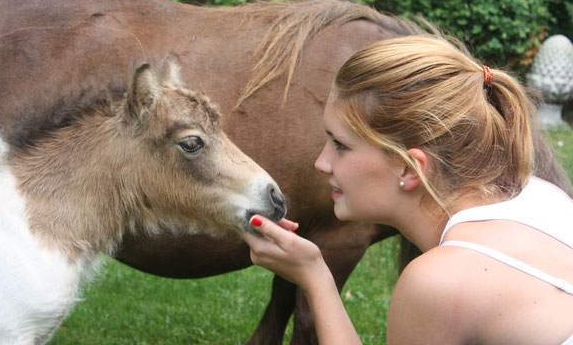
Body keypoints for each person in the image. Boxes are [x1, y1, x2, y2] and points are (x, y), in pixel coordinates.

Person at [240, 35, 573, 345]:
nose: (321, 163)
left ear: (409, 169)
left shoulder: (437, 282)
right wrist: (314, 273)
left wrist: (315, 279)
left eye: (340, 145)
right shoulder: (542, 196)